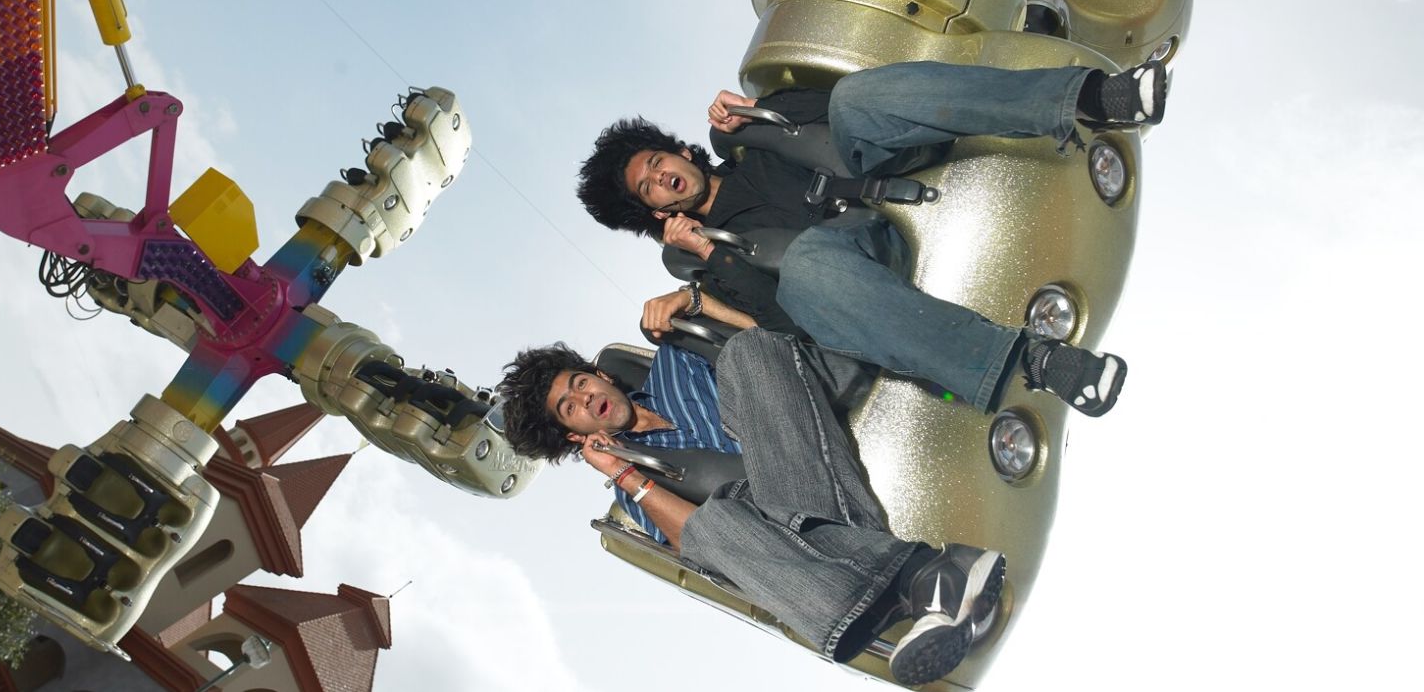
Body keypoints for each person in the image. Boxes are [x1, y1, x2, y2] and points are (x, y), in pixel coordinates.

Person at [577, 59, 1169, 418]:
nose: (660, 177)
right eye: (648, 189)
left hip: (884, 165)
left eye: (656, 162)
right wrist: (711, 254)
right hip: (852, 263)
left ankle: (1093, 99)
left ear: (679, 151)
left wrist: (756, 114)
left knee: (857, 97)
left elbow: (836, 111)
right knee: (807, 266)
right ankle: (1033, 361)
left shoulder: (746, 141)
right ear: (655, 214)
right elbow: (789, 326)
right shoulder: (711, 266)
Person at [498, 329, 1006, 686]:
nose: (586, 399)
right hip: (815, 528)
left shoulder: (676, 360)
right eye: (570, 408)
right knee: (707, 528)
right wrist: (625, 475)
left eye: (579, 384)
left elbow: (779, 366)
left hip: (809, 455)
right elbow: (695, 547)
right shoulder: (630, 494)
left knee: (747, 351)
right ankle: (926, 579)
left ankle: (919, 581)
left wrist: (699, 303)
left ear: (596, 374)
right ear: (576, 435)